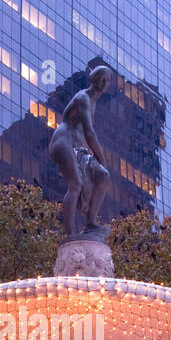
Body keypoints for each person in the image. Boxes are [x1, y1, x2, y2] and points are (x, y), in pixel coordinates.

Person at [49, 64, 112, 237]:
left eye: (108, 79)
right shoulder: (83, 97)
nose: (104, 82)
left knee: (103, 175)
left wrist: (101, 166)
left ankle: (91, 222)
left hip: (77, 149)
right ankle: (69, 235)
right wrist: (102, 159)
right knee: (75, 184)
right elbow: (90, 133)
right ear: (94, 78)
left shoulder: (93, 103)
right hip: (63, 142)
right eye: (102, 77)